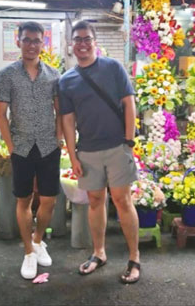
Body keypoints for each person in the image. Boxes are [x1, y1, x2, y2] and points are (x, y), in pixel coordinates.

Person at [58, 20, 140, 284]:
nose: (82, 44)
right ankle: (99, 253)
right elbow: (67, 121)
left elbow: (129, 104)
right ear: (71, 45)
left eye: (87, 39)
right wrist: (73, 156)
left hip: (117, 147)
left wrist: (128, 141)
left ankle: (134, 258)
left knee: (122, 201)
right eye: (77, 39)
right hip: (88, 150)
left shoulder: (113, 68)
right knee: (95, 201)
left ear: (95, 42)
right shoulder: (66, 81)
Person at [0, 21, 62, 280]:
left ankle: (37, 239)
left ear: (43, 43)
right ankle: (28, 253)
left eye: (36, 40)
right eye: (27, 40)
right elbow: (1, 115)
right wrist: (11, 147)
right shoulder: (7, 75)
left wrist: (58, 139)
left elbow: (60, 111)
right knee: (23, 200)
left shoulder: (54, 75)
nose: (32, 45)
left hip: (48, 146)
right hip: (21, 147)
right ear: (18, 41)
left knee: (49, 200)